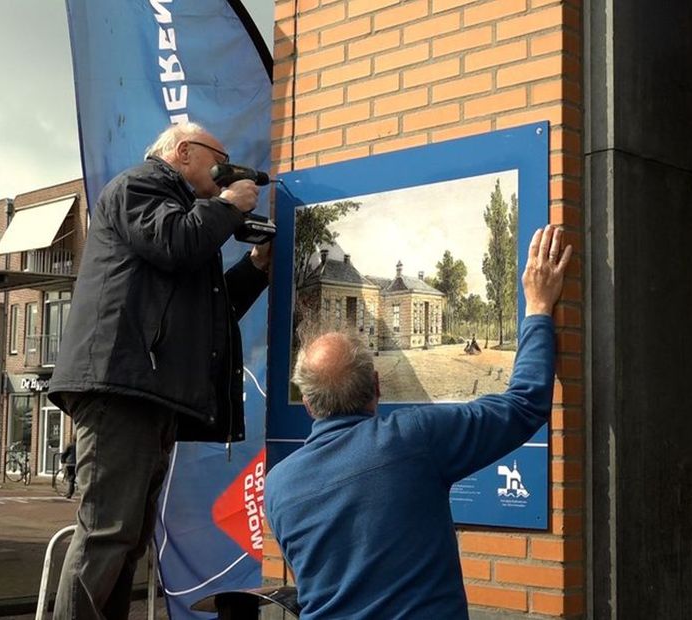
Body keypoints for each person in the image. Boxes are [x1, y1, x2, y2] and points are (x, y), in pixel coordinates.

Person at [264, 225, 571, 620]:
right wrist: (539, 307)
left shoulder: (278, 485)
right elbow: (525, 405)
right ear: (376, 386)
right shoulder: (413, 439)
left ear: (307, 403)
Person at [48, 122, 271, 620]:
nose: (226, 174)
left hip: (147, 394)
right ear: (184, 152)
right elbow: (174, 241)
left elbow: (207, 317)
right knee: (108, 532)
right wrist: (230, 205)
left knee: (126, 538)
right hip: (121, 387)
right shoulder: (141, 187)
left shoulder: (187, 218)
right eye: (221, 161)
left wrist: (256, 266)